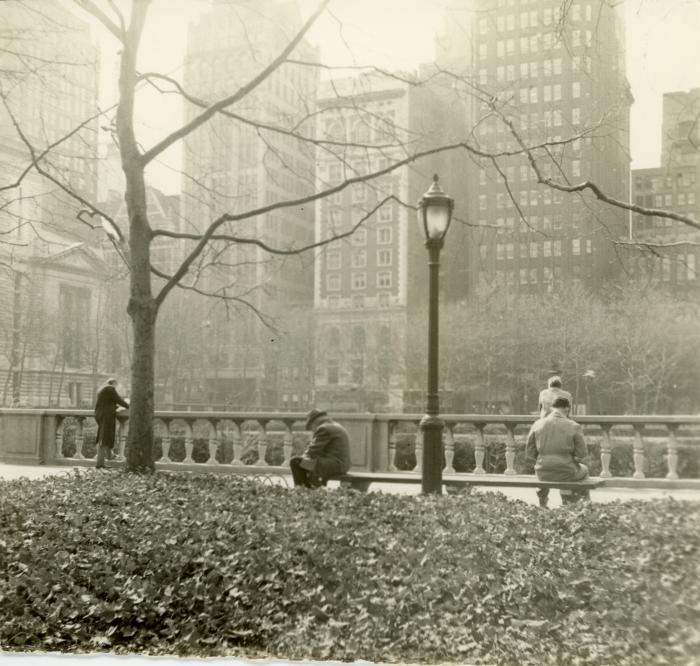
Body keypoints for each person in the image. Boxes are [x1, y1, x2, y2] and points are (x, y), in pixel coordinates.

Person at [526, 396, 590, 508]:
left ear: (552, 408)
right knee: (585, 470)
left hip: (542, 472)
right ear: (567, 409)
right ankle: (577, 504)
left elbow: (530, 453)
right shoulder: (574, 426)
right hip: (566, 472)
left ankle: (542, 502)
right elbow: (582, 454)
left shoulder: (537, 424)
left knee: (546, 472)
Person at [290, 409, 351, 488]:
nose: (312, 430)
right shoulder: (334, 425)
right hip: (342, 465)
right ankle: (310, 489)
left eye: (311, 427)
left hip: (335, 465)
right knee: (306, 464)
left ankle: (302, 491)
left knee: (295, 462)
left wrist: (302, 460)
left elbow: (312, 451)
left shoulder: (324, 428)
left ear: (314, 422)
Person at [94, 378, 129, 469]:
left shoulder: (102, 389)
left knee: (107, 436)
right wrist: (128, 405)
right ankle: (100, 463)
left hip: (101, 415)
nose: (116, 388)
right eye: (116, 385)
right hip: (106, 416)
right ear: (113, 383)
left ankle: (110, 456)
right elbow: (118, 400)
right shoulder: (110, 389)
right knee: (104, 438)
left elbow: (109, 402)